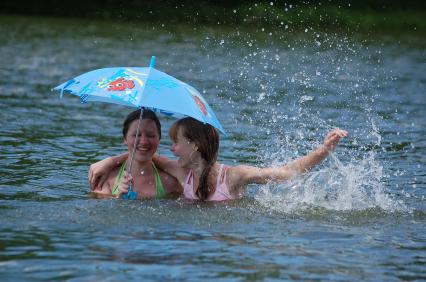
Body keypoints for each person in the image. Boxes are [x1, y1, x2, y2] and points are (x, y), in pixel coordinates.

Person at [89, 117, 347, 201]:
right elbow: (144, 152)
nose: (173, 150)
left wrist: (322, 151)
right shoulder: (182, 173)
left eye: (176, 143)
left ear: (195, 146)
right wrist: (109, 161)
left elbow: (287, 172)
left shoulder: (234, 176)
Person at [91, 109, 182, 199]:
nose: (143, 141)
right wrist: (117, 198)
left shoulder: (170, 183)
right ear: (125, 139)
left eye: (150, 135)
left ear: (159, 140)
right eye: (136, 135)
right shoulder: (107, 179)